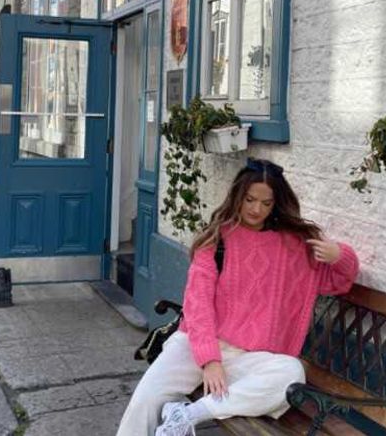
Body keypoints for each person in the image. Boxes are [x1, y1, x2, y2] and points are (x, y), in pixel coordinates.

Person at [117, 158, 359, 436]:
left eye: (266, 203)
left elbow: (337, 283)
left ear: (276, 203)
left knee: (291, 374)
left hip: (250, 357)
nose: (257, 209)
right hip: (197, 343)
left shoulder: (293, 246)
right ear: (237, 197)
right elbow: (198, 304)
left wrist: (340, 255)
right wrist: (210, 360)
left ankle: (186, 416)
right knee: (146, 399)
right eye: (250, 199)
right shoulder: (217, 240)